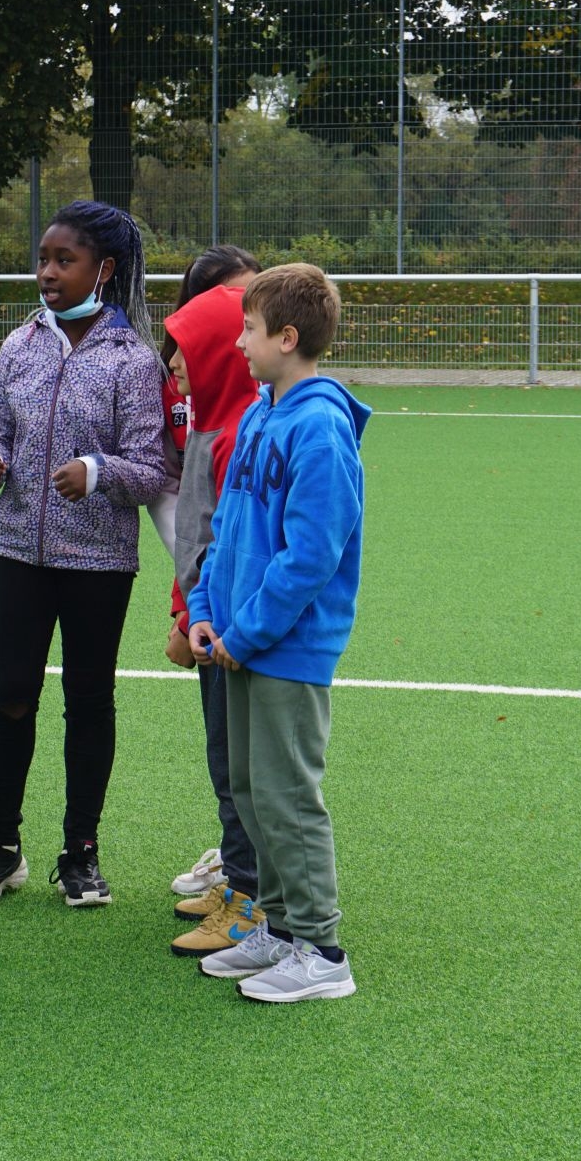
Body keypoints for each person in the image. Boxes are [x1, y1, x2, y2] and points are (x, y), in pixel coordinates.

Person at [0, 199, 173, 908]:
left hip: (99, 562)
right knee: (11, 695)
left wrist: (97, 473)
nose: (47, 272)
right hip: (18, 549)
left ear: (103, 270)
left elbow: (153, 469)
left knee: (89, 700)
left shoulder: (132, 361)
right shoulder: (19, 344)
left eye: (63, 260)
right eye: (43, 259)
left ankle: (81, 851)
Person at [187, 263, 370, 1002]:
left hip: (284, 650)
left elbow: (311, 555)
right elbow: (227, 528)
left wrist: (248, 632)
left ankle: (322, 953)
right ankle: (280, 927)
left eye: (250, 330)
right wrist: (204, 606)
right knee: (251, 791)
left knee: (288, 797)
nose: (239, 343)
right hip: (238, 641)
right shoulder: (261, 414)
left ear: (287, 338)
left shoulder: (320, 427)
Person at [152, 249, 273, 958]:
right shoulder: (211, 425)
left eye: (186, 350)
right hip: (208, 622)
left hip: (229, 632)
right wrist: (185, 609)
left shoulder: (236, 436)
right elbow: (192, 536)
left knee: (240, 770)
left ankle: (249, 899)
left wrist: (201, 618)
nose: (173, 364)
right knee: (225, 762)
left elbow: (226, 546)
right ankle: (238, 883)